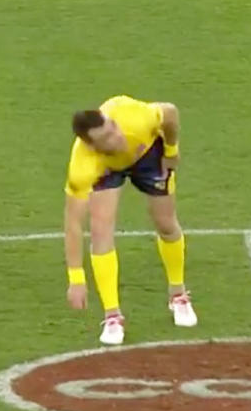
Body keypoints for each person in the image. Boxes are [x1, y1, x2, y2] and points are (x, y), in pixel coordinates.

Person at [64, 95, 197, 345]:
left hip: (148, 153)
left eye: (112, 129)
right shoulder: (84, 166)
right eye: (106, 139)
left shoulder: (135, 117)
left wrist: (171, 150)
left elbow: (170, 112)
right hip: (107, 169)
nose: (117, 138)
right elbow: (72, 223)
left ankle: (178, 294)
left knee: (166, 224)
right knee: (100, 231)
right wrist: (76, 279)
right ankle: (112, 315)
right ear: (91, 146)